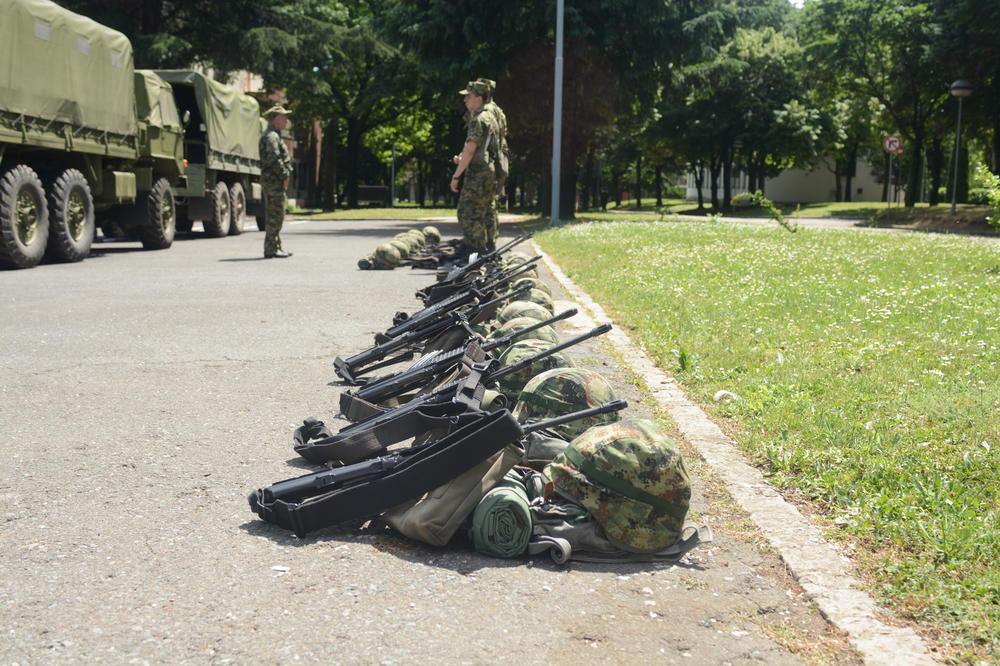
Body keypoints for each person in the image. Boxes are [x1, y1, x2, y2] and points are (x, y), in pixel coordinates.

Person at [451, 81, 498, 254]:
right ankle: (487, 250)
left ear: (479, 98)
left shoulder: (478, 119)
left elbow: (470, 150)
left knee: (468, 212)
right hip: (487, 171)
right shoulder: (490, 116)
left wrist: (456, 176)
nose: (465, 100)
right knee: (485, 212)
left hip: (478, 173)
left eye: (468, 96)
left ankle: (474, 251)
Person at [476, 78, 509, 246]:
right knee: (491, 205)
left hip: (490, 159)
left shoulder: (487, 111)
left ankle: (484, 245)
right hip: (499, 157)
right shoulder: (498, 110)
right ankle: (490, 243)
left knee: (484, 207)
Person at [259, 105, 293, 258]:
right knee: (275, 216)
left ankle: (275, 247)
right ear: (276, 119)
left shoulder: (275, 135)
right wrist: (284, 175)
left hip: (274, 182)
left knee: (276, 215)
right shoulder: (271, 137)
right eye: (284, 117)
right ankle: (271, 249)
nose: (286, 120)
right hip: (274, 182)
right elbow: (274, 159)